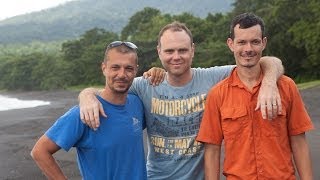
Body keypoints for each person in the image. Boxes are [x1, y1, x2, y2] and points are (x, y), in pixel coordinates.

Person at [78, 21, 284, 179]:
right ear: (159, 52)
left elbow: (263, 61)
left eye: (182, 50)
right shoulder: (145, 85)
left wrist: (268, 83)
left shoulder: (212, 77)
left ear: (192, 50)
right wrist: (86, 95)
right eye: (169, 51)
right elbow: (111, 88)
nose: (176, 56)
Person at [196, 13, 314, 179]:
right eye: (242, 42)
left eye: (255, 42)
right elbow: (212, 150)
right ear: (231, 44)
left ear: (264, 43)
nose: (248, 49)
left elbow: (299, 141)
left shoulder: (287, 87)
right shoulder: (217, 95)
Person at [30, 41, 147, 180]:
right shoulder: (83, 113)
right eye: (115, 67)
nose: (121, 74)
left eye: (128, 68)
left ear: (136, 70)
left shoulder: (137, 104)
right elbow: (40, 151)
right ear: (104, 68)